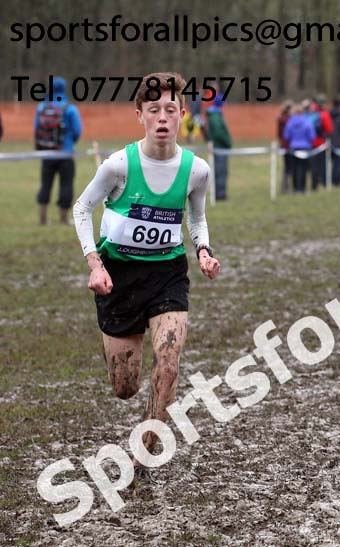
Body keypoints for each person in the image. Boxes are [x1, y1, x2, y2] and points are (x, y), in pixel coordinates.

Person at [72, 72, 220, 484]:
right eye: (153, 109)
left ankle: (140, 456)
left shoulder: (196, 170)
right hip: (118, 276)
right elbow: (82, 209)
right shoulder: (119, 165)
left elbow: (197, 216)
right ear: (140, 115)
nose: (162, 117)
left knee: (169, 365)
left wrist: (203, 251)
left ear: (182, 115)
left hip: (168, 273)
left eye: (170, 109)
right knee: (125, 387)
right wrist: (95, 265)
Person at [35, 76, 82, 225]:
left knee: (45, 184)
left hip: (47, 153)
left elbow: (36, 128)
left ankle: (43, 218)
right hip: (65, 153)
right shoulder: (70, 108)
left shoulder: (42, 106)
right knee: (66, 184)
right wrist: (69, 143)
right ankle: (64, 218)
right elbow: (77, 130)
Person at [283, 101, 317, 193]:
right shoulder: (307, 122)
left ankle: (295, 188)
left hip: (293, 147)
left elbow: (286, 136)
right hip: (306, 148)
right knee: (303, 168)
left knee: (294, 168)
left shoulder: (290, 123)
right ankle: (302, 188)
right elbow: (312, 136)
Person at [205, 92, 232, 200]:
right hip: (220, 147)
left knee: (221, 171)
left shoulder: (215, 115)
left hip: (220, 147)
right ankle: (220, 194)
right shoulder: (215, 117)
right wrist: (227, 142)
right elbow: (218, 133)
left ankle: (220, 193)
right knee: (220, 171)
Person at [277, 101, 294, 193]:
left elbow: (279, 134)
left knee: (287, 167)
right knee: (290, 167)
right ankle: (287, 187)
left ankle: (285, 187)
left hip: (284, 145)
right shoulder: (290, 120)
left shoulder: (280, 119)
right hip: (290, 145)